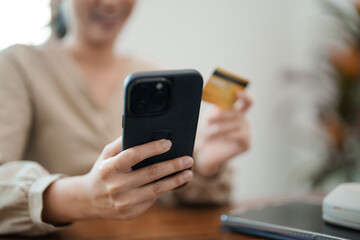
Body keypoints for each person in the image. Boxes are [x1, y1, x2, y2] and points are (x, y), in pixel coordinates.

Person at [0, 0, 253, 236]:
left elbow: (172, 192)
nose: (111, 3)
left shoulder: (157, 76)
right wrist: (77, 197)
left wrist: (205, 166)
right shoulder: (18, 65)